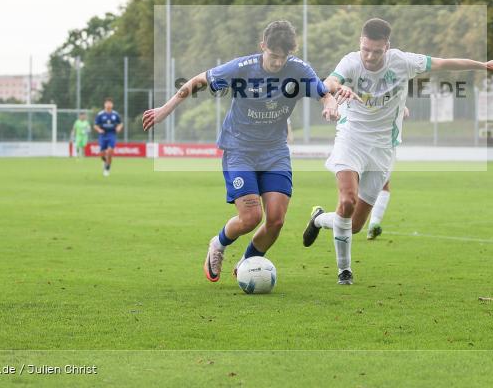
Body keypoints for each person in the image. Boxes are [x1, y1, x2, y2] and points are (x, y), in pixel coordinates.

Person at [302, 18, 493, 285]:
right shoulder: (351, 61)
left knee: (354, 225)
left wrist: (482, 65)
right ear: (360, 44)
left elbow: (443, 63)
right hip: (351, 138)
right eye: (366, 49)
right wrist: (333, 92)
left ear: (387, 47)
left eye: (376, 51)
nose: (370, 56)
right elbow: (329, 80)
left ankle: (319, 220)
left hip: (383, 148)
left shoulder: (403, 62)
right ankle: (344, 271)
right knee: (347, 201)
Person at [143, 20, 346, 282]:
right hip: (239, 148)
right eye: (272, 56)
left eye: (282, 58)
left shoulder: (299, 69)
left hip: (275, 152)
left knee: (275, 221)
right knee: (251, 217)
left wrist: (329, 105)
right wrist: (164, 110)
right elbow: (197, 81)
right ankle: (218, 244)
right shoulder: (241, 68)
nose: (276, 63)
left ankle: (247, 264)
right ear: (263, 46)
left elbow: (324, 92)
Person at [366, 107, 408, 241]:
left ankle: (373, 224)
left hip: (382, 142)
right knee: (375, 185)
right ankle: (323, 220)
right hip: (373, 141)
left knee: (383, 184)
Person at [94, 99, 123, 177]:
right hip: (103, 134)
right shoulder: (100, 114)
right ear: (104, 104)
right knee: (102, 153)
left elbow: (120, 124)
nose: (108, 105)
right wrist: (99, 130)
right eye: (107, 103)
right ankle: (105, 161)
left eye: (110, 103)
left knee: (110, 151)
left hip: (111, 134)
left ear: (112, 105)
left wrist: (119, 128)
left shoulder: (115, 114)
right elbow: (95, 125)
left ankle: (107, 168)